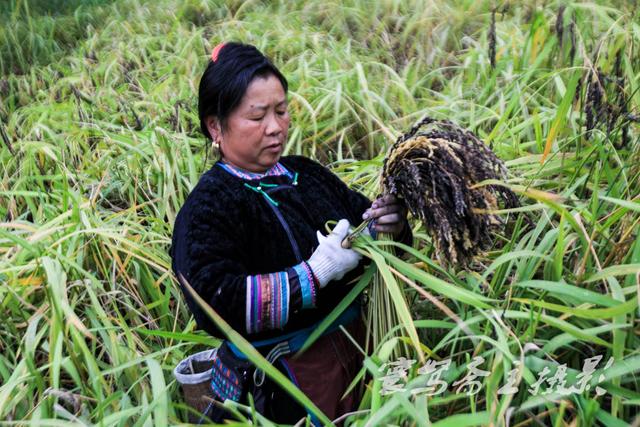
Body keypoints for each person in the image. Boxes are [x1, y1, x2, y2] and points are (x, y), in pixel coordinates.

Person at [170, 41, 413, 425]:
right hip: (283, 387)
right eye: (257, 116)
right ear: (215, 125)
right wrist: (312, 276)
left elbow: (366, 221)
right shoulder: (207, 208)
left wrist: (390, 224)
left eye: (282, 111)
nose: (275, 127)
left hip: (360, 360)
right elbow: (214, 299)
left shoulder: (306, 174)